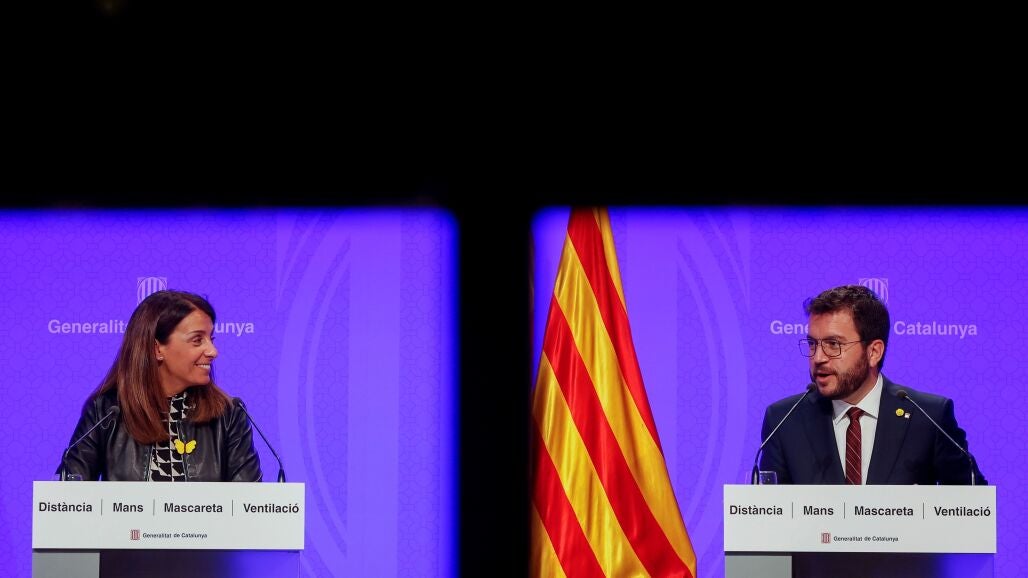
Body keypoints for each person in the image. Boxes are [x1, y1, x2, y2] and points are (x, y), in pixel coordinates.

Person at [758, 284, 985, 485]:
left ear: (874, 352)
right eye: (812, 344)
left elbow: (974, 506)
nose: (818, 358)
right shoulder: (784, 421)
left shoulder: (928, 417)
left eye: (833, 344)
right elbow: (769, 513)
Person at [57, 290, 262, 481]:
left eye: (211, 339)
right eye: (197, 340)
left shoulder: (228, 415)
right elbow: (69, 494)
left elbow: (249, 500)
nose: (213, 351)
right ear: (157, 349)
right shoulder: (106, 412)